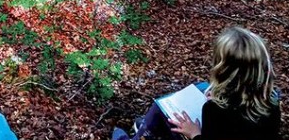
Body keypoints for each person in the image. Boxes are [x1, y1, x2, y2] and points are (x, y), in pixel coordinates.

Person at [112, 26, 281, 140]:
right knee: (201, 87)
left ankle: (145, 130)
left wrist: (195, 134)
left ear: (222, 69)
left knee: (163, 109)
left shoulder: (214, 110)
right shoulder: (271, 106)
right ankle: (148, 126)